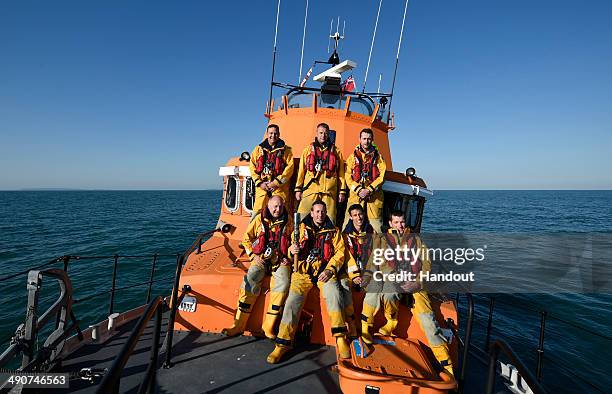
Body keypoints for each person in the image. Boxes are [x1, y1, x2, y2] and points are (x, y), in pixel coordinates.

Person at [361, 210, 454, 376]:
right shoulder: (382, 240)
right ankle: (391, 323)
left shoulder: (417, 240)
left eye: (402, 222)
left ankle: (446, 365)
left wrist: (418, 282)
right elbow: (380, 261)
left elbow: (427, 264)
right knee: (387, 294)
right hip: (394, 281)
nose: (400, 226)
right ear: (390, 224)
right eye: (396, 222)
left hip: (416, 285)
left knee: (429, 322)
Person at [267, 200, 352, 364]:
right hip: (303, 273)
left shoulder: (334, 232)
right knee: (292, 302)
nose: (320, 215)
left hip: (324, 273)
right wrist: (292, 252)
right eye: (317, 211)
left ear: (326, 213)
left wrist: (330, 270)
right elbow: (290, 250)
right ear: (311, 213)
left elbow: (340, 253)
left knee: (334, 295)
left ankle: (340, 337)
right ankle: (282, 344)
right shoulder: (299, 230)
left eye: (323, 212)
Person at [222, 196, 292, 339]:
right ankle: (238, 324)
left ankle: (269, 325)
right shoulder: (259, 219)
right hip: (260, 259)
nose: (277, 209)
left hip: (280, 261)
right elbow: (246, 239)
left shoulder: (289, 221)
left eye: (280, 206)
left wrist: (288, 257)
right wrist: (254, 257)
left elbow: (294, 241)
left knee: (283, 283)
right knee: (250, 279)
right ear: (268, 205)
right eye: (274, 206)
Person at [294, 123, 347, 224]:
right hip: (310, 190)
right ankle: (299, 238)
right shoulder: (307, 150)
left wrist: (342, 191)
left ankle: (329, 238)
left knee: (331, 218)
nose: (323, 135)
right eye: (321, 133)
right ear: (317, 133)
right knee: (302, 216)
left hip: (329, 192)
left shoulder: (336, 152)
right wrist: (298, 189)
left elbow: (341, 174)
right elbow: (301, 171)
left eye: (326, 133)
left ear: (328, 135)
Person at [339, 203, 376, 338]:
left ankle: (366, 326)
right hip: (350, 272)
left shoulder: (372, 233)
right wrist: (354, 275)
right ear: (350, 217)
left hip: (368, 272)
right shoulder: (345, 235)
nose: (358, 218)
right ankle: (352, 324)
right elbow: (346, 257)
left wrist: (367, 274)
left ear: (364, 215)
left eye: (360, 214)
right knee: (343, 286)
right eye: (355, 215)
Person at [344, 128, 386, 232]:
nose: (366, 141)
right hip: (355, 197)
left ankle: (376, 248)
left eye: (369, 139)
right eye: (364, 138)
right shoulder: (352, 158)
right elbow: (348, 177)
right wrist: (359, 190)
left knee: (377, 228)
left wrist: (369, 190)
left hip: (374, 198)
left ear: (372, 140)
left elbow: (382, 177)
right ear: (360, 139)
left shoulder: (379, 158)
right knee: (348, 226)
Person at [249, 124, 294, 218]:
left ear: (279, 134)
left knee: (281, 214)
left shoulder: (286, 151)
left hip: (279, 189)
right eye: (271, 133)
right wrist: (260, 183)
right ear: (267, 134)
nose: (273, 135)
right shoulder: (258, 150)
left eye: (275, 133)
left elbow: (289, 170)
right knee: (257, 215)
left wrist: (276, 183)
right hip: (262, 189)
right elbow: (252, 168)